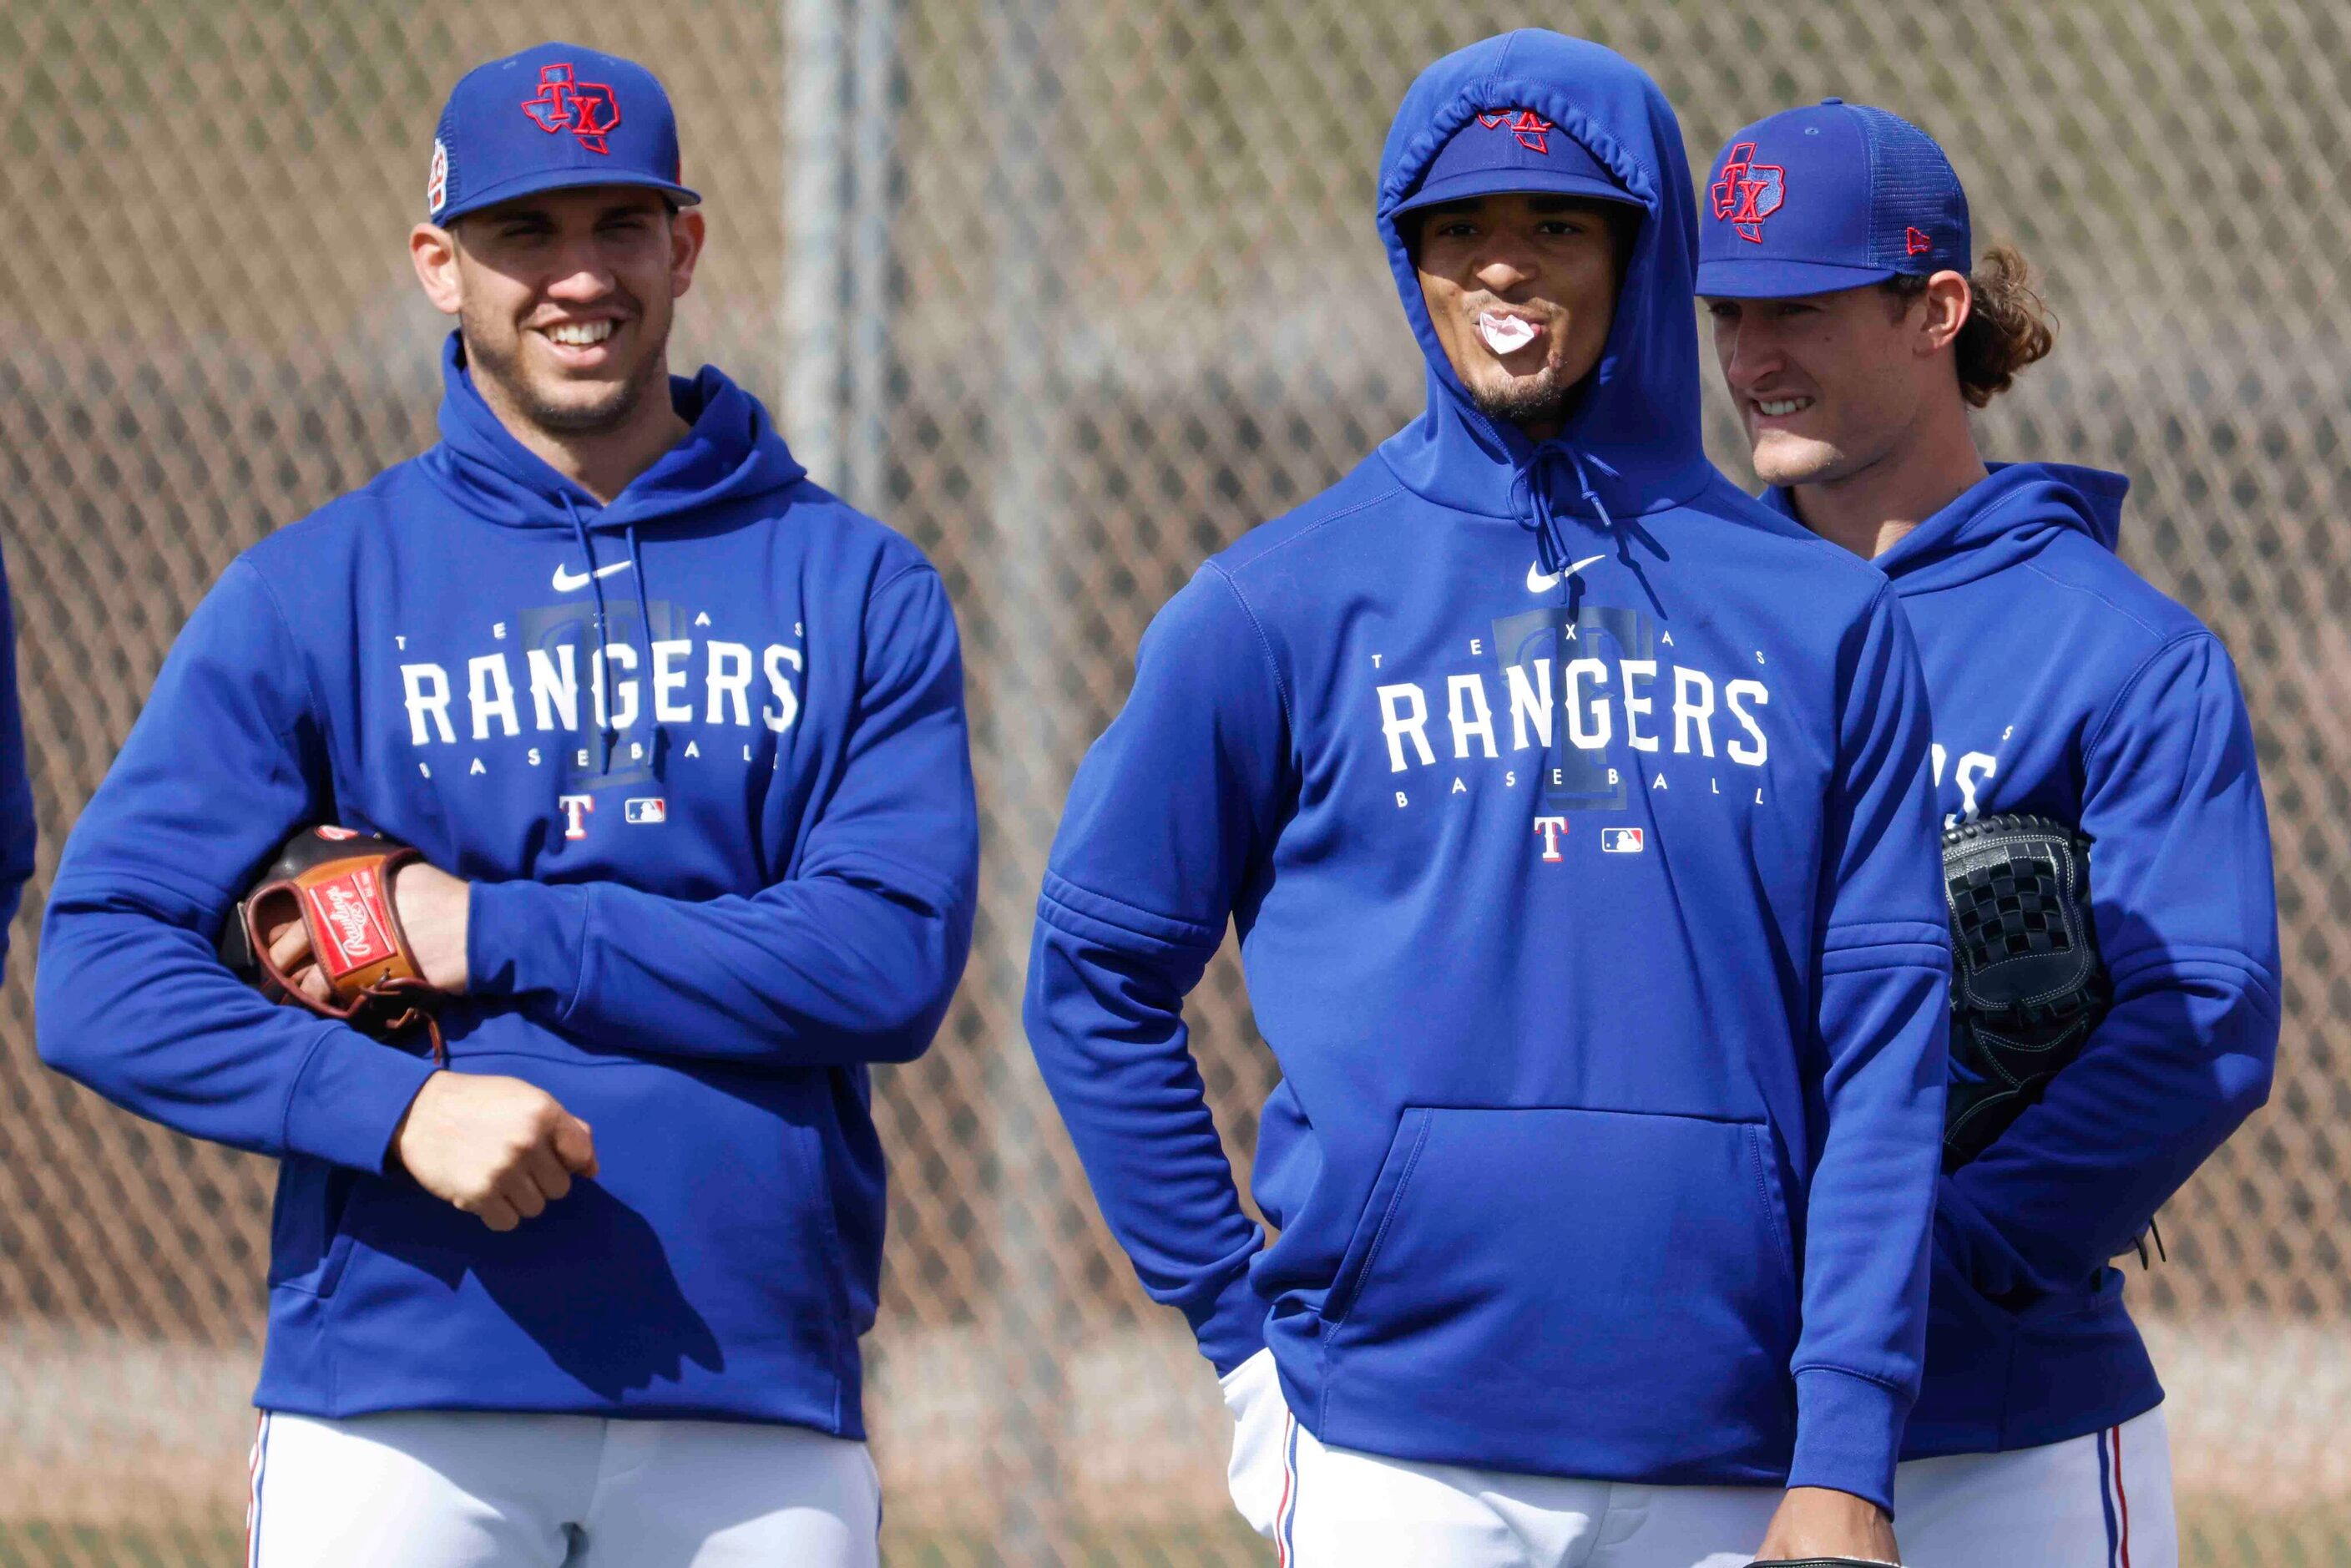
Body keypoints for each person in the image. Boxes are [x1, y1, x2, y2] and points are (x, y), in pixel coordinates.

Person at [36, 42, 976, 1567]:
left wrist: (490, 929)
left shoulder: (851, 581)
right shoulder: (314, 592)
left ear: (685, 244)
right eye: (523, 232)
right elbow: (97, 972)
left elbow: (886, 957)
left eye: (618, 226)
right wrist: (396, 1110)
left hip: (752, 1407)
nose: (577, 277)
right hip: (400, 1399)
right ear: (437, 264)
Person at [1024, 31, 1949, 1568]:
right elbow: (1093, 974)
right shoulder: (1276, 605)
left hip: (1732, 1454)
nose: (1503, 268)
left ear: (1643, 254)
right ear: (1409, 257)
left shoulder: (1823, 619)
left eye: (1557, 227)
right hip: (1397, 1453)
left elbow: (1887, 1050)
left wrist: (1847, 1445)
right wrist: (1240, 1340)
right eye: (1459, 229)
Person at [1699, 99, 2280, 1568]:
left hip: (2001, 1426)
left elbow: (2201, 1019)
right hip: (1693, 1411)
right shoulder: (1685, 624)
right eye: (1728, 310)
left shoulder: (2116, 651)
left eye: (1801, 308)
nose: (1752, 355)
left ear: (1934, 309)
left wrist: (1918, 1264)